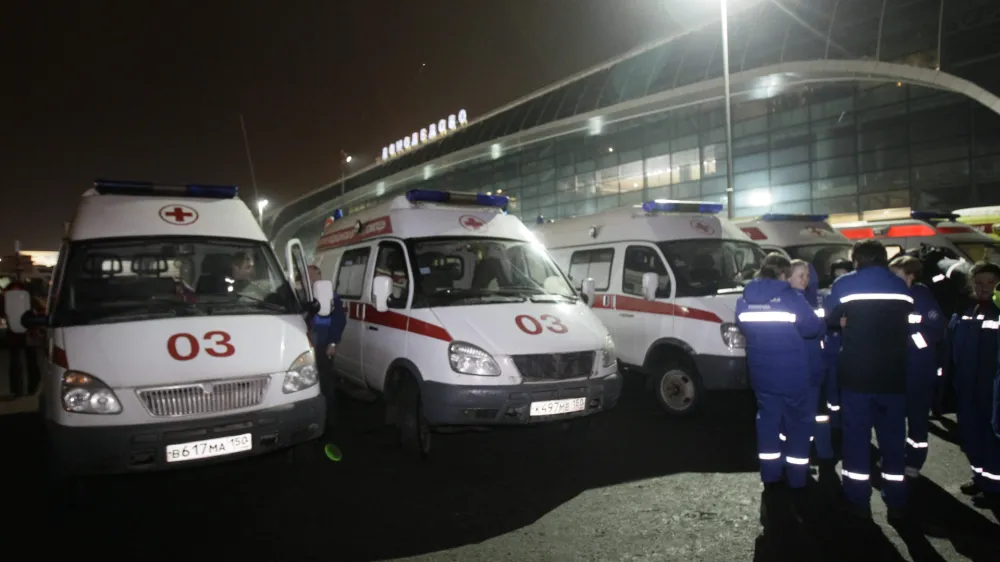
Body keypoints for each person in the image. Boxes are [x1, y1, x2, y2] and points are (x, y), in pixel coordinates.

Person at [824, 239, 914, 523]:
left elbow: (829, 318)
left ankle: (856, 497)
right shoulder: (899, 285)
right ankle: (897, 498)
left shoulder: (846, 284)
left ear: (856, 260)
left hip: (857, 375)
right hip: (894, 375)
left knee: (856, 439)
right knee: (892, 439)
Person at [736, 253, 825, 517]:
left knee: (768, 422)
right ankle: (797, 478)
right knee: (798, 424)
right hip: (793, 374)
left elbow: (743, 328)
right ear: (784, 274)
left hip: (762, 374)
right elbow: (812, 329)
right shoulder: (791, 297)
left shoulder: (744, 299)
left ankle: (771, 476)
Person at [949, 262, 1000, 508]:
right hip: (966, 384)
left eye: (991, 283)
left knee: (990, 438)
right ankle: (980, 478)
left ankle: (994, 487)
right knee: (970, 435)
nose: (984, 287)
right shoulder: (967, 308)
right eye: (979, 282)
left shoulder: (997, 311)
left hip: (991, 387)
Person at [889, 255, 945, 479]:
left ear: (911, 275)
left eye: (897, 275)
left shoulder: (921, 296)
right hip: (899, 369)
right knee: (893, 419)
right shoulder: (895, 297)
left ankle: (913, 461)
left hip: (919, 370)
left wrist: (912, 340)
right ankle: (894, 457)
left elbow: (936, 329)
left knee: (917, 421)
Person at [788, 260, 836, 467]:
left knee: (819, 411)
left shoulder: (817, 298)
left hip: (816, 362)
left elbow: (826, 324)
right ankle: (802, 454)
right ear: (787, 277)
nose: (805, 279)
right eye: (801, 275)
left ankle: (824, 452)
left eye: (807, 275)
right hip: (799, 363)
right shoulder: (788, 300)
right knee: (801, 411)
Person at [820, 259, 854, 433]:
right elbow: (824, 318)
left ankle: (848, 421)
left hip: (851, 348)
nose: (840, 279)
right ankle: (835, 424)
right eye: (837, 275)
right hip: (832, 348)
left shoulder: (856, 296)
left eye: (844, 275)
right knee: (832, 388)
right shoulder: (827, 295)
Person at [1, 276, 42, 398]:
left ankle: (29, 388)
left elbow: (40, 310)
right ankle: (20, 390)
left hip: (26, 334)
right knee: (18, 363)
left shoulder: (25, 299)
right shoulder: (23, 298)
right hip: (17, 334)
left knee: (28, 362)